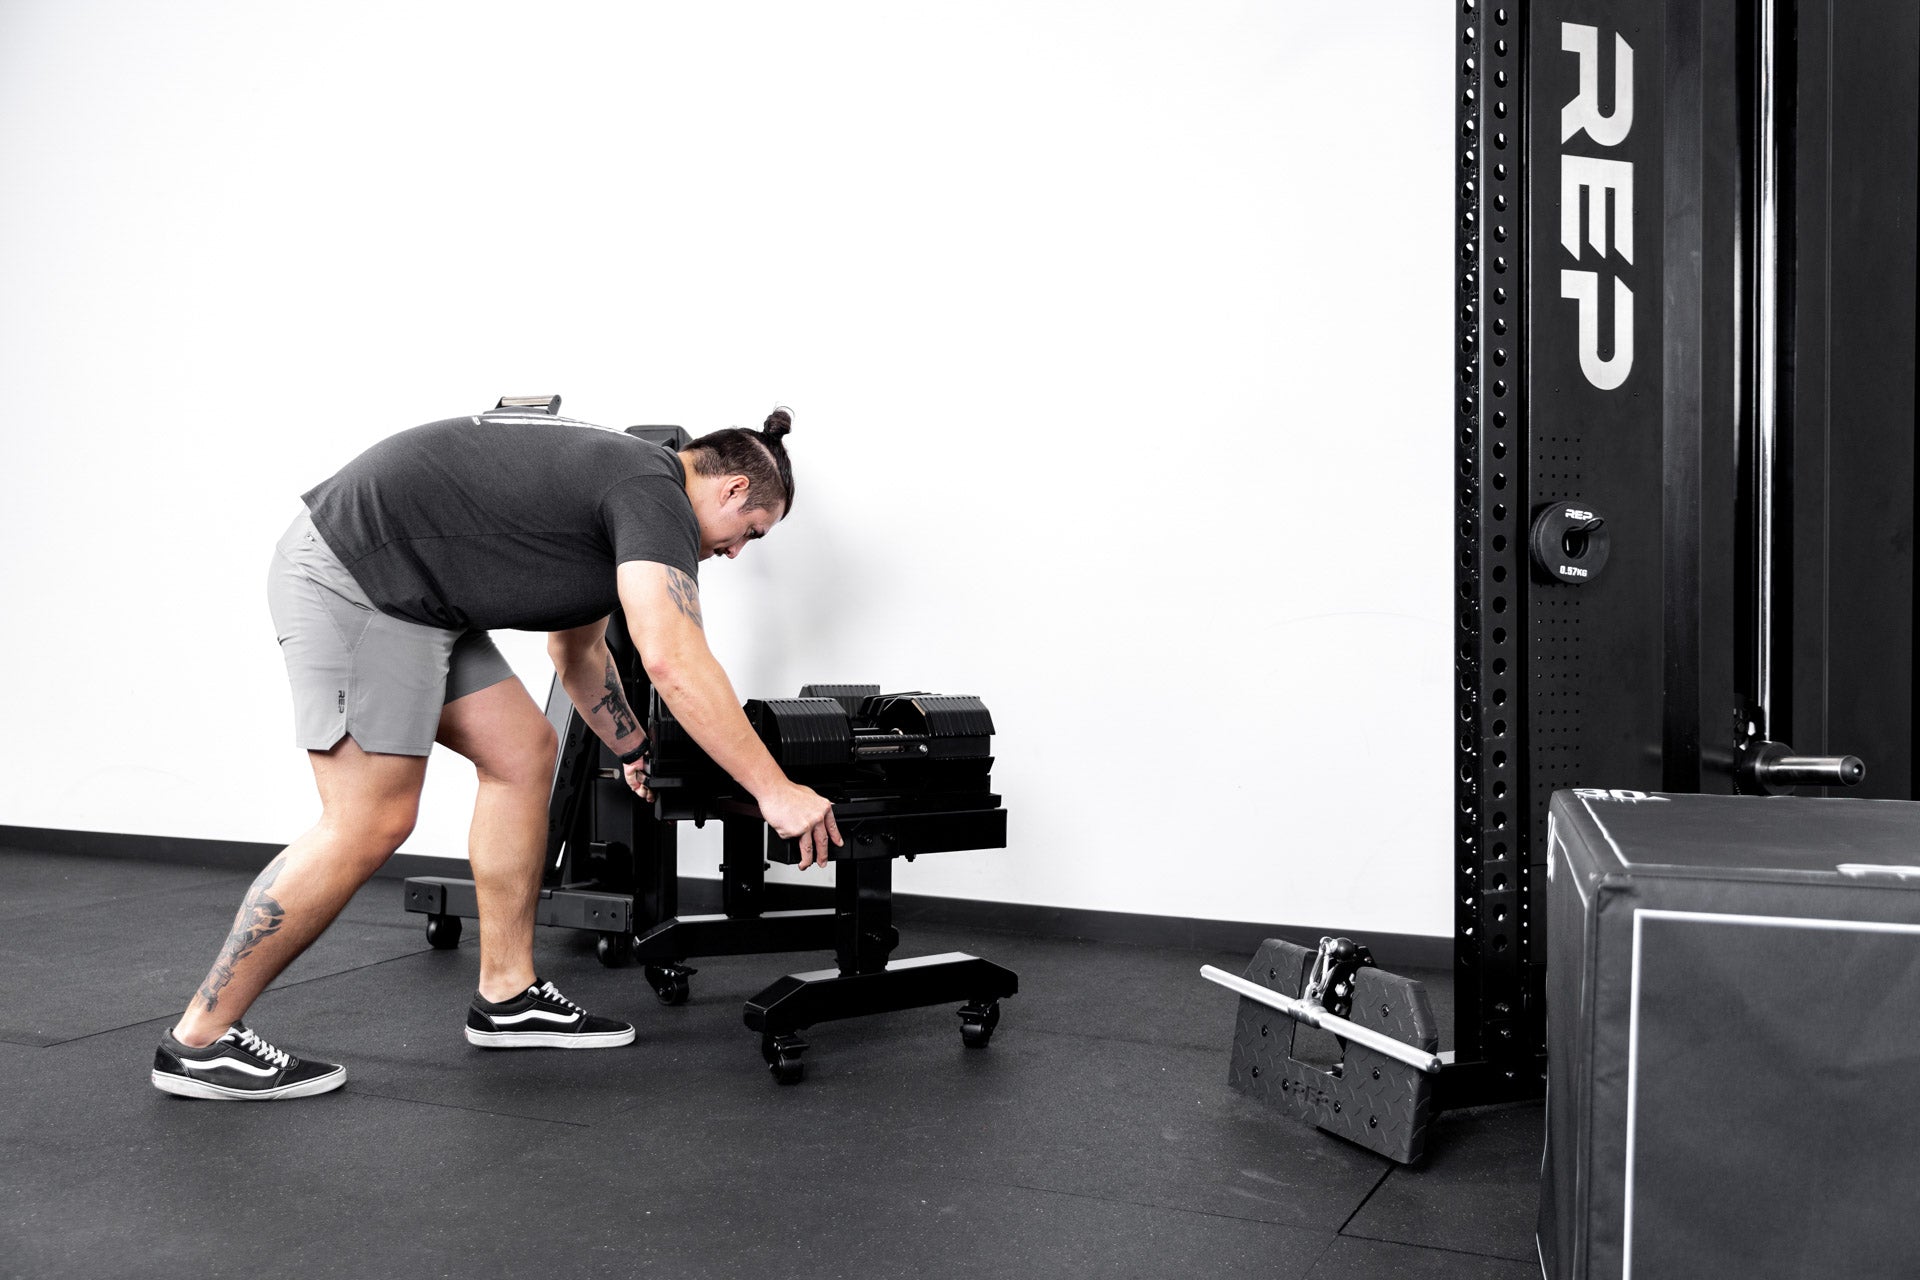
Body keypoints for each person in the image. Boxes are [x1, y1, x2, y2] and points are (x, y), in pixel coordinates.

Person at [150, 403, 841, 1101]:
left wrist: (633, 746)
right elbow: (672, 658)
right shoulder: (652, 493)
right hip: (357, 579)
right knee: (370, 819)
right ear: (731, 489)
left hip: (419, 596)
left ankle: (507, 995)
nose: (733, 553)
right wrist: (775, 791)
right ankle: (200, 1040)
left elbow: (576, 652)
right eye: (747, 532)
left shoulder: (628, 489)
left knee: (523, 751)